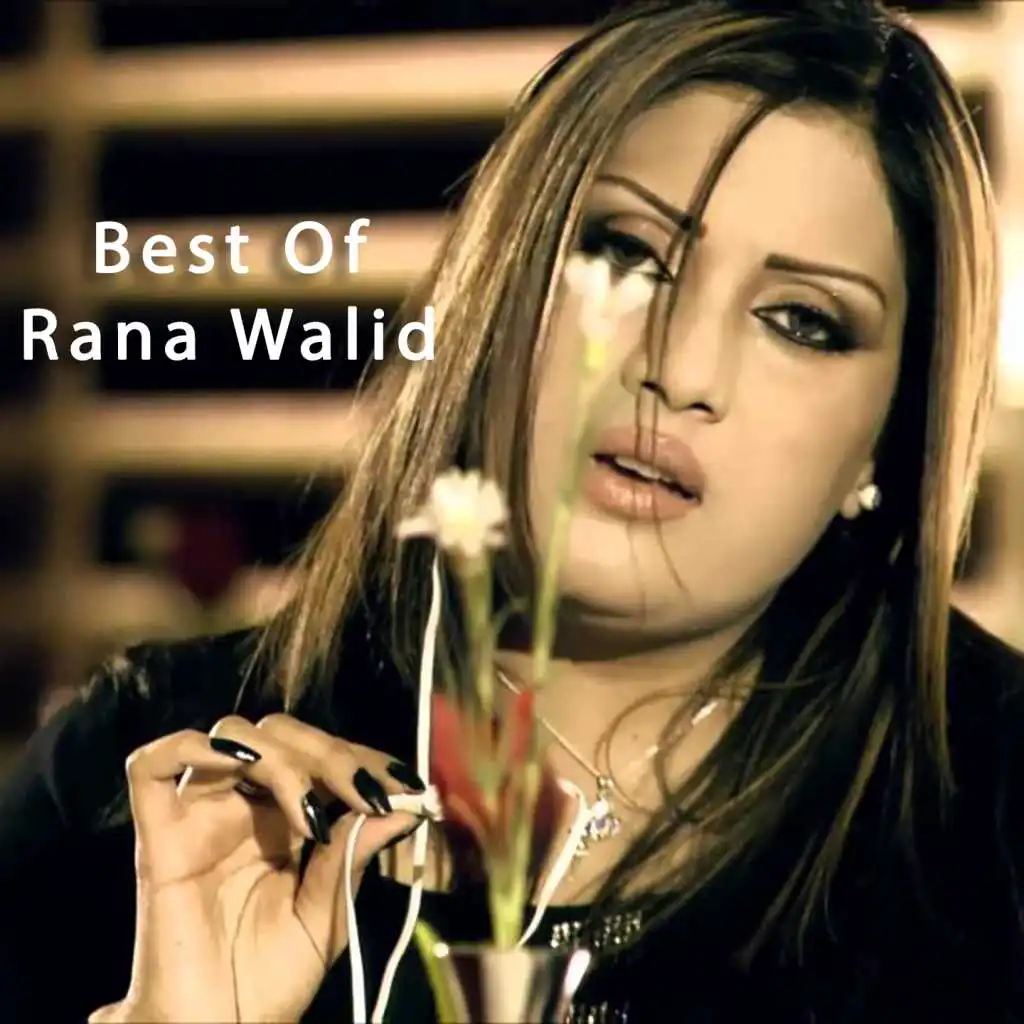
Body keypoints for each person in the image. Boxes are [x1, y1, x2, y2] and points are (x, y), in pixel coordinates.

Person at [2, 0, 1023, 1020]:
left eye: (800, 320)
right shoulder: (144, 791)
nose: (677, 369)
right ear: (497, 282)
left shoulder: (997, 824)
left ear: (888, 436)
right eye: (626, 254)